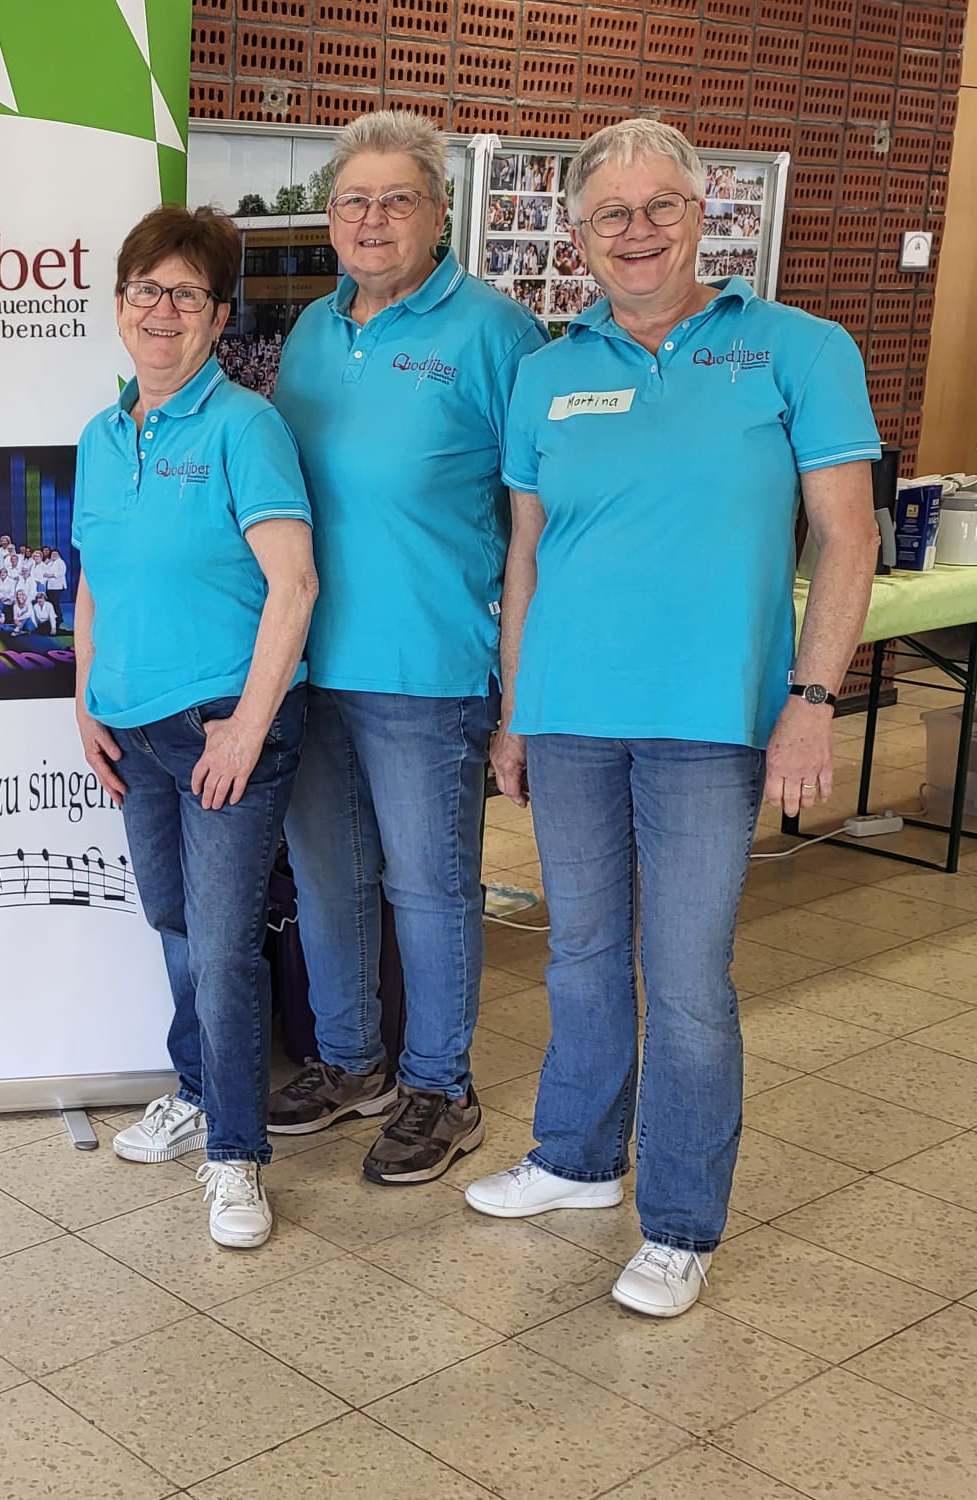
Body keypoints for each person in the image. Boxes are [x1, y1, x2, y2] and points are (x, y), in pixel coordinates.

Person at [464, 120, 880, 1317]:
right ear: (576, 235)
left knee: (687, 978)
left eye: (659, 207)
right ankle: (575, 1158)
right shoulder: (547, 373)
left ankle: (680, 1222)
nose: (636, 232)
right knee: (582, 953)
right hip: (569, 714)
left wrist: (810, 701)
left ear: (704, 216)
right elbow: (525, 553)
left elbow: (846, 536)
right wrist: (514, 712)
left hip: (710, 720)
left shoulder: (797, 349)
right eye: (610, 213)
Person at [266, 111, 547, 1185]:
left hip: (428, 668)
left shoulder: (497, 334)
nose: (372, 219)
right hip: (306, 664)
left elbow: (537, 523)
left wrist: (518, 690)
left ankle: (441, 1088)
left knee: (430, 892)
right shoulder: (310, 332)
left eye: (396, 199)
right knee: (329, 882)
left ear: (439, 213)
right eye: (353, 200)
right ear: (330, 216)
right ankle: (351, 1065)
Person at [77, 205, 316, 1250]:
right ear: (119, 305)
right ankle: (194, 1088)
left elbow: (294, 585)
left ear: (219, 318)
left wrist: (246, 730)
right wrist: (85, 698)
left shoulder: (245, 428)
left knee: (221, 951)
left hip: (224, 725)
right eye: (146, 291)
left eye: (185, 295)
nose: (161, 311)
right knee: (174, 919)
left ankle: (236, 1154)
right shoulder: (101, 436)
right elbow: (94, 579)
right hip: (133, 731)